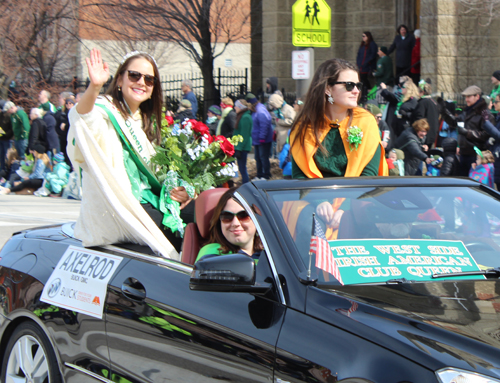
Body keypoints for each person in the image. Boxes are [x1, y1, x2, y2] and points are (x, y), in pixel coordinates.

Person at [67, 48, 191, 259]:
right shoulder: (104, 111)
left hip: (147, 199)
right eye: (134, 75)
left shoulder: (147, 123)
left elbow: (157, 175)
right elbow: (83, 119)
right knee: (178, 231)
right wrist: (95, 87)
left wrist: (182, 192)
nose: (141, 82)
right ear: (119, 80)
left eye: (149, 79)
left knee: (206, 212)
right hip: (119, 205)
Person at [290, 58, 388, 180]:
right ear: (328, 89)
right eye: (349, 85)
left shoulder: (366, 121)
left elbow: (369, 175)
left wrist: (344, 197)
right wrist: (319, 200)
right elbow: (300, 175)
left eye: (358, 85)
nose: (356, 91)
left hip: (356, 195)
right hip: (314, 196)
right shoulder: (304, 125)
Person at [195, 187, 263, 262]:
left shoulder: (270, 255)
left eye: (243, 215)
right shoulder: (212, 253)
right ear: (219, 222)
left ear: (257, 219)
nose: (235, 223)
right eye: (227, 216)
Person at [440, 85, 494, 177]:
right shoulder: (466, 112)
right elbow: (454, 122)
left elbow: (486, 134)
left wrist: (467, 132)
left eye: (469, 97)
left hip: (477, 155)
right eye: (465, 97)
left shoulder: (485, 114)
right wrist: (444, 112)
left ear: (477, 96)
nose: (466, 100)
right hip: (464, 153)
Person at [246, 93, 273, 180]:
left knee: (263, 157)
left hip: (263, 140)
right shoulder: (256, 110)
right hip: (258, 139)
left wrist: (262, 137)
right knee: (258, 157)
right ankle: (260, 174)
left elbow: (264, 125)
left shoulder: (260, 110)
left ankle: (266, 175)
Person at [413, 78, 439, 148]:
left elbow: (419, 119)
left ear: (422, 92)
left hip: (423, 135)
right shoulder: (434, 102)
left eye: (419, 91)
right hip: (432, 134)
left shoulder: (423, 102)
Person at [233, 99, 252, 184]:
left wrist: (239, 148)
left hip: (243, 147)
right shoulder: (241, 116)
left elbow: (244, 135)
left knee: (242, 168)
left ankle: (246, 184)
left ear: (240, 107)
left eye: (236, 106)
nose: (234, 107)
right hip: (240, 146)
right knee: (241, 168)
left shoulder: (245, 117)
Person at [356, 31, 378, 104]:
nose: (363, 38)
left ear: (368, 37)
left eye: (364, 36)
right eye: (362, 36)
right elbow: (359, 54)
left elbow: (372, 56)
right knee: (362, 79)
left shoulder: (372, 44)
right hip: (361, 66)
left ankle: (368, 91)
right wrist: (358, 63)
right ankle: (365, 92)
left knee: (364, 79)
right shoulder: (362, 45)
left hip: (367, 66)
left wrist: (367, 62)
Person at [0, 102, 13, 173]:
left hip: (7, 139)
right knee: (1, 155)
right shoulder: (1, 115)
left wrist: (6, 135)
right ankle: (2, 169)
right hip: (1, 138)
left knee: (7, 155)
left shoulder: (9, 116)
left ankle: (7, 170)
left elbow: (11, 129)